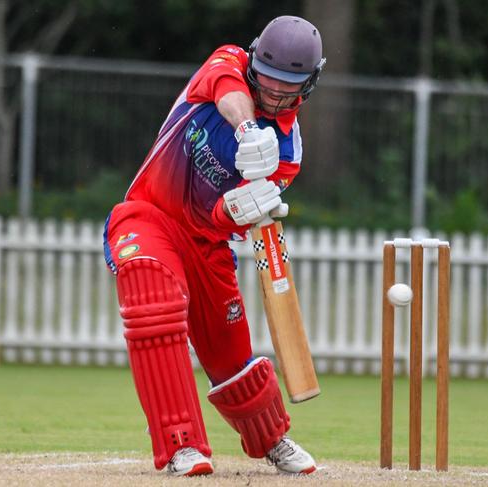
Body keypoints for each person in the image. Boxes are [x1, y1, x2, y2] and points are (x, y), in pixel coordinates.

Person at [103, 15, 325, 477]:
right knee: (152, 295)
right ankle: (181, 444)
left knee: (230, 357)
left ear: (309, 84)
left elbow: (224, 219)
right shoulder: (227, 62)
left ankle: (270, 438)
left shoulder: (288, 154)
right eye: (266, 80)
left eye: (289, 86)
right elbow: (226, 89)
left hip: (208, 244)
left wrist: (245, 205)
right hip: (150, 214)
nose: (274, 93)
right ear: (253, 63)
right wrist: (248, 131)